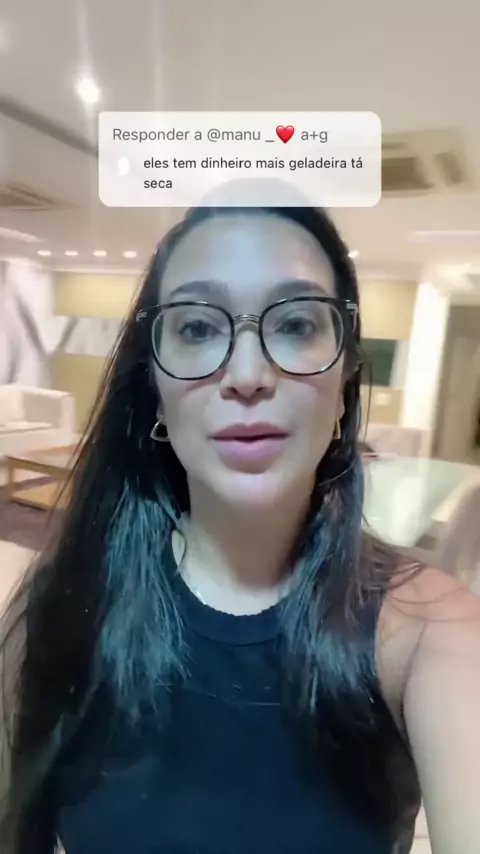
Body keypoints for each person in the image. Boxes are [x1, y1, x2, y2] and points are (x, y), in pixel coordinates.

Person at [1, 203, 480, 854]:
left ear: (345, 376)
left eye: (296, 324)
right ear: (154, 382)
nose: (248, 376)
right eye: (198, 327)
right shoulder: (61, 601)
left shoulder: (433, 634)